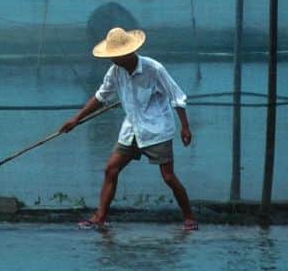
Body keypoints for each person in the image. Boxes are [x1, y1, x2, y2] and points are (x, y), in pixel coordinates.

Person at [60, 26, 197, 231]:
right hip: (132, 129)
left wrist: (185, 127)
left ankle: (189, 217)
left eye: (116, 55)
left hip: (156, 129)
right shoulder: (115, 72)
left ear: (128, 52)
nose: (112, 59)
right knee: (110, 169)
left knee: (168, 176)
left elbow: (177, 97)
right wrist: (76, 119)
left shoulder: (153, 69)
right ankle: (100, 217)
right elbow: (101, 96)